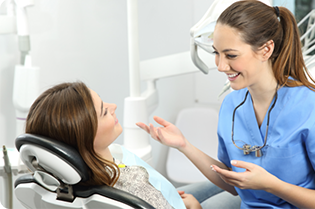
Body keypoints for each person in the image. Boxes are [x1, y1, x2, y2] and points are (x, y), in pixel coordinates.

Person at [136, 0, 315, 208]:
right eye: (216, 54)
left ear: (266, 50)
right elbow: (235, 183)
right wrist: (183, 145)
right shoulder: (232, 104)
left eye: (231, 55)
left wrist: (273, 186)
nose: (220, 66)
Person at [25, 81, 202, 209]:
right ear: (87, 137)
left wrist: (157, 195)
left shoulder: (68, 183)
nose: (114, 106)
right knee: (228, 191)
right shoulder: (134, 185)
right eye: (104, 111)